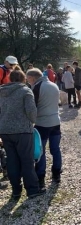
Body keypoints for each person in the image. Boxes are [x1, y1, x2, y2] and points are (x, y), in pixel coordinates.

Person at [0, 70, 45, 199]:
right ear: (24, 79)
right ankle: (32, 189)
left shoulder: (1, 92)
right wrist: (32, 121)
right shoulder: (25, 91)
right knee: (27, 160)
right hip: (22, 130)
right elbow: (32, 112)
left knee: (12, 160)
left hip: (5, 130)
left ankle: (15, 190)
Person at [26, 68, 62, 189]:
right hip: (56, 121)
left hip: (42, 123)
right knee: (55, 149)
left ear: (32, 78)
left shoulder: (36, 87)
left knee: (40, 151)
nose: (27, 81)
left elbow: (33, 106)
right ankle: (56, 174)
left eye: (28, 79)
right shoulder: (54, 85)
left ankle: (40, 177)